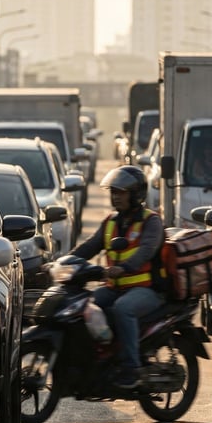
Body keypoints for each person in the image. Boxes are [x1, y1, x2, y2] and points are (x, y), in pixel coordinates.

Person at [71, 165, 165, 389]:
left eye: (121, 192)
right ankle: (102, 359)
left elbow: (146, 251)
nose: (116, 196)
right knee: (84, 306)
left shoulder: (151, 221)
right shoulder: (111, 222)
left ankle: (131, 368)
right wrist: (62, 263)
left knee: (123, 309)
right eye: (114, 192)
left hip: (149, 289)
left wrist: (124, 267)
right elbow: (89, 247)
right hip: (115, 288)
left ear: (136, 194)